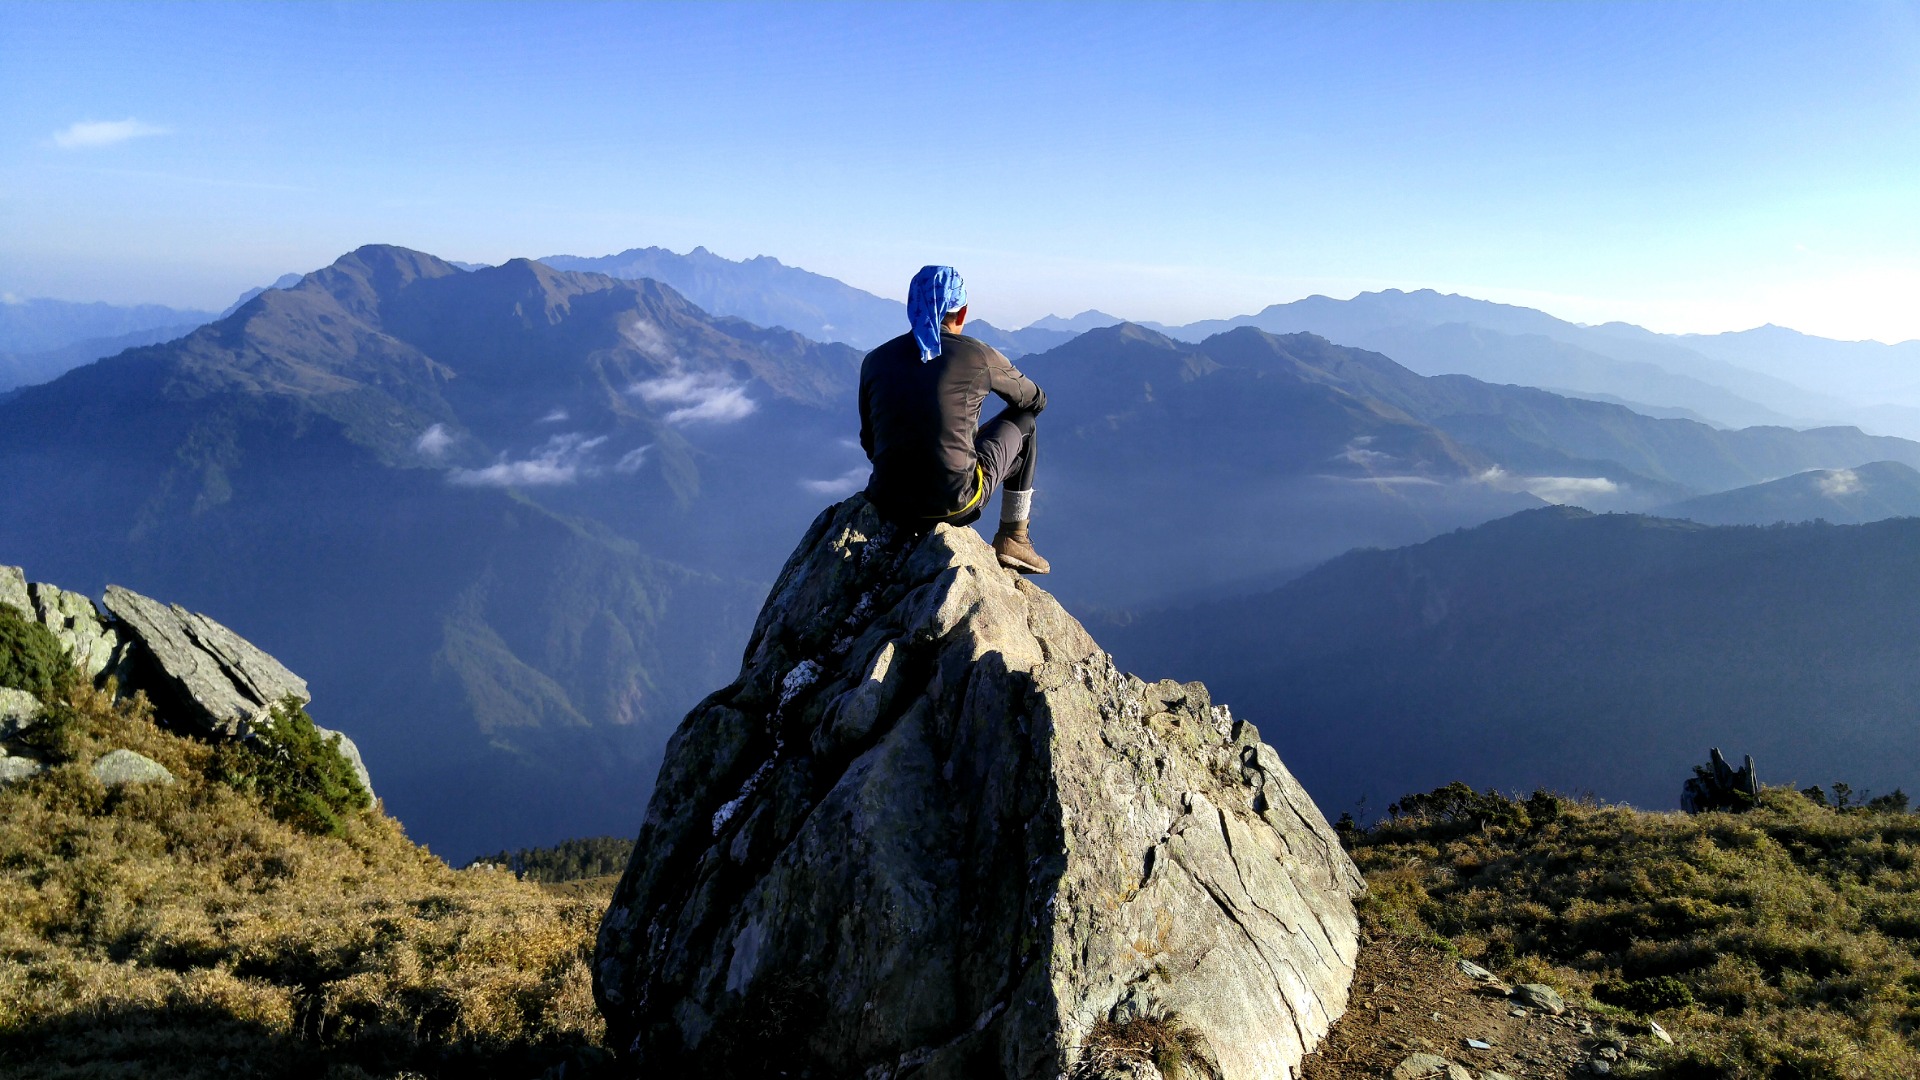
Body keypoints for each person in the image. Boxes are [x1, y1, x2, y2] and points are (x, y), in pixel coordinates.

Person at [858, 265, 1051, 574]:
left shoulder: (875, 360)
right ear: (962, 313)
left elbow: (870, 441)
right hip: (954, 502)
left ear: (912, 306)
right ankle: (1014, 537)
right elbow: (1034, 400)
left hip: (887, 501)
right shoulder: (978, 356)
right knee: (1025, 422)